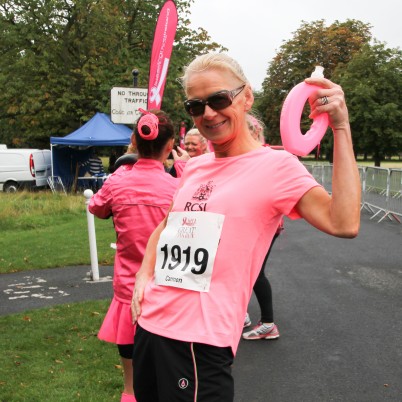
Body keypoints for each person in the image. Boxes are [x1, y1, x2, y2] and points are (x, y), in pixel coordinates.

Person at [131, 52, 361, 402]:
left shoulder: (277, 167)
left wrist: (341, 128)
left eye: (219, 99)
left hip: (199, 340)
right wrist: (143, 278)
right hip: (150, 327)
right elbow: (167, 225)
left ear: (246, 97)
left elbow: (343, 222)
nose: (208, 113)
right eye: (196, 106)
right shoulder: (195, 167)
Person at [88, 109, 183, 402]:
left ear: (133, 141)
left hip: (129, 288)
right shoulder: (178, 186)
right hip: (167, 288)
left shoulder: (117, 181)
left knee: (131, 380)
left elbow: (97, 207)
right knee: (170, 370)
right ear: (170, 146)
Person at [242, 114, 281, 340]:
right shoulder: (246, 156)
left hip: (265, 224)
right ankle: (243, 316)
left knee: (255, 273)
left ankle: (268, 324)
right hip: (251, 223)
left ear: (254, 133)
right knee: (246, 271)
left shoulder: (265, 157)